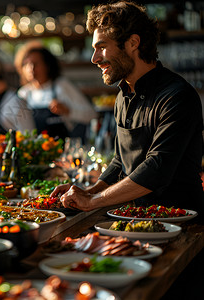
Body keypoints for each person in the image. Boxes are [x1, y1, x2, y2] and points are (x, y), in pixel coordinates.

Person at [52, 1, 204, 221]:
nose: (95, 58)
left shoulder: (177, 95)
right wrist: (89, 191)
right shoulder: (123, 94)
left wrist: (94, 201)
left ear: (133, 42)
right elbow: (120, 162)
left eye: (101, 47)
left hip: (182, 222)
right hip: (136, 218)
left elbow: (157, 168)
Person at [15, 43, 97, 141]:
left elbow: (91, 114)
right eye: (26, 64)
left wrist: (68, 111)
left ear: (47, 65)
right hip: (36, 152)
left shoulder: (61, 86)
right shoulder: (23, 94)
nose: (31, 68)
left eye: (35, 64)